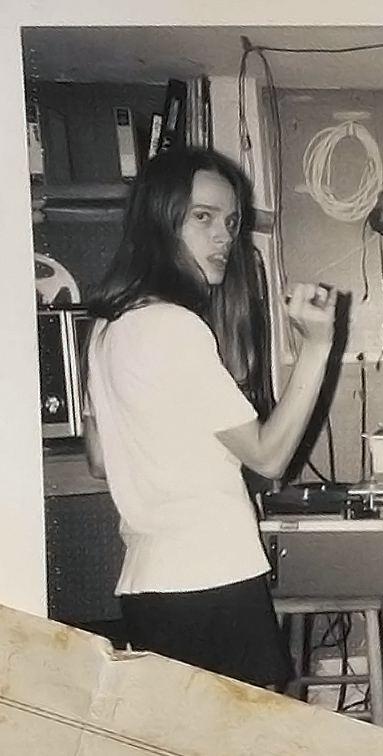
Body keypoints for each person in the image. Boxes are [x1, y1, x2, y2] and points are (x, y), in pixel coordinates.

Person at [82, 147, 340, 691]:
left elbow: (101, 461)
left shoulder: (108, 329)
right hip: (211, 579)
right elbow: (269, 456)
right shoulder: (175, 326)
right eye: (203, 217)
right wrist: (317, 348)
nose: (224, 236)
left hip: (149, 583)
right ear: (161, 218)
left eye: (230, 222)